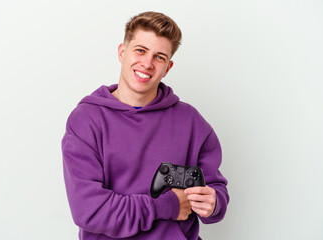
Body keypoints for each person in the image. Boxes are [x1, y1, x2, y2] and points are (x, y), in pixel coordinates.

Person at [62, 11, 229, 240]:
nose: (147, 63)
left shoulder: (191, 121)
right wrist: (166, 206)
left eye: (159, 57)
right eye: (140, 50)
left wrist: (213, 203)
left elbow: (215, 190)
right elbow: (90, 211)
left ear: (168, 67)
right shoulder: (86, 120)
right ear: (122, 52)